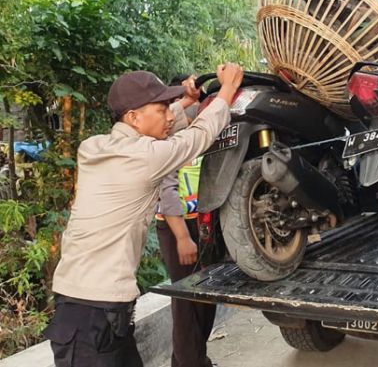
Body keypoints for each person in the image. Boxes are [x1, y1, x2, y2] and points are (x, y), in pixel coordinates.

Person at [43, 63, 243, 366]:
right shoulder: (144, 157)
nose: (169, 115)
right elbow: (197, 137)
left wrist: (186, 101)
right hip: (90, 318)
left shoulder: (93, 148)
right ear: (134, 117)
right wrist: (226, 91)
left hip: (98, 312)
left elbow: (158, 130)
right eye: (161, 109)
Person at [155, 74, 216, 367]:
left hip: (199, 223)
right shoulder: (168, 142)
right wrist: (182, 236)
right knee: (187, 301)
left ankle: (194, 359)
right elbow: (166, 189)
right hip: (177, 226)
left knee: (205, 297)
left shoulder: (197, 139)